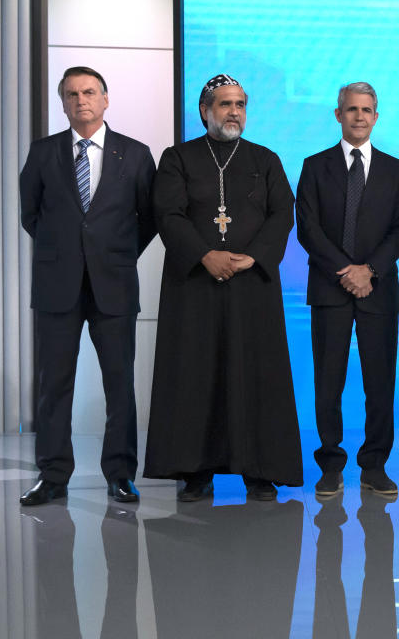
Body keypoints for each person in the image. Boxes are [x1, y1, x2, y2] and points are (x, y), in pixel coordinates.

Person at [143, 74, 303, 501]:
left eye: (241, 104)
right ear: (205, 110)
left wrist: (253, 257)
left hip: (252, 286)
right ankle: (195, 472)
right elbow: (168, 214)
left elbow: (282, 213)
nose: (234, 112)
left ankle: (260, 471)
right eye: (225, 104)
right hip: (194, 285)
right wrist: (204, 255)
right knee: (194, 375)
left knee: (257, 375)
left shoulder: (265, 159)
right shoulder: (177, 157)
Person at [18, 66, 156, 506]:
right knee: (53, 384)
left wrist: (113, 254)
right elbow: (31, 214)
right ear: (62, 102)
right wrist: (67, 252)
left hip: (113, 284)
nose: (82, 100)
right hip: (57, 286)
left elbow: (149, 218)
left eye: (90, 92)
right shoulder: (43, 153)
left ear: (106, 99)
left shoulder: (134, 154)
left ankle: (119, 474)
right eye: (72, 94)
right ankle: (53, 475)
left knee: (120, 384)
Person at [295, 82, 399, 497]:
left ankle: (374, 465)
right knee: (328, 382)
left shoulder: (397, 170)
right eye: (351, 109)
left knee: (379, 382)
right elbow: (308, 228)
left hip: (378, 290)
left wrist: (370, 271)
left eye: (366, 110)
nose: (359, 116)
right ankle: (330, 464)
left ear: (376, 117)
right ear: (338, 114)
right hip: (330, 288)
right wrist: (346, 270)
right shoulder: (314, 166)